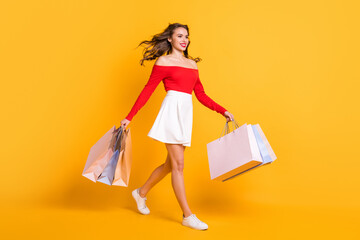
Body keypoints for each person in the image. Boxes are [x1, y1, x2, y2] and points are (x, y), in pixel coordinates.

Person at [120, 23, 234, 230]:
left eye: (187, 36)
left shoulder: (192, 64)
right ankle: (187, 215)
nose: (184, 39)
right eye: (179, 35)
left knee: (170, 166)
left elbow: (200, 95)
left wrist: (222, 110)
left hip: (185, 114)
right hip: (171, 113)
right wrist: (130, 117)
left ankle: (141, 193)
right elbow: (148, 90)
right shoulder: (163, 61)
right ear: (170, 39)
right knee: (179, 166)